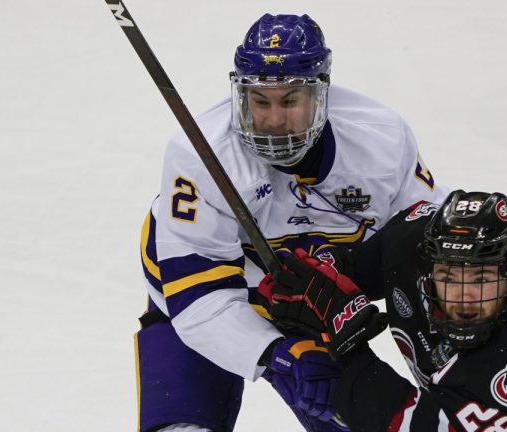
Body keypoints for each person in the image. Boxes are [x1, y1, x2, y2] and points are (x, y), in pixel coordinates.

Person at [135, 13, 447, 432]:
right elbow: (199, 300)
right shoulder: (201, 156)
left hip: (313, 307)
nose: (273, 120)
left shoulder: (381, 140)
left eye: (289, 101)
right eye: (260, 101)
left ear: (320, 95)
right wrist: (279, 352)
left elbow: (427, 246)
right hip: (203, 293)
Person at [261, 190, 507, 431]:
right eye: (450, 277)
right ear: (427, 264)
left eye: (484, 280)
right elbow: (345, 272)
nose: (467, 298)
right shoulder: (407, 242)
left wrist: (350, 346)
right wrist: (309, 287)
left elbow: (414, 425)